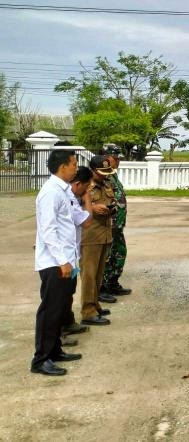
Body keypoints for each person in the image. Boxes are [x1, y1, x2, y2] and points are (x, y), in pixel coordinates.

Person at [31, 149, 82, 376]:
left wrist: (70, 260)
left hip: (65, 260)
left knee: (60, 308)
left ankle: (55, 350)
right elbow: (48, 231)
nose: (76, 168)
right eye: (73, 164)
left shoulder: (62, 191)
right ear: (63, 166)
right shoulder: (50, 192)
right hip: (54, 263)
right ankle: (41, 359)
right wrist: (62, 261)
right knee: (50, 311)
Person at [80, 155, 117, 326]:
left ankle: (95, 304)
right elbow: (72, 207)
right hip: (90, 235)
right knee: (88, 274)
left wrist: (112, 208)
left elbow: (111, 200)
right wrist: (93, 208)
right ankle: (87, 311)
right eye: (101, 172)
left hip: (104, 233)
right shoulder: (83, 186)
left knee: (98, 273)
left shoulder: (107, 183)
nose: (105, 175)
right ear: (92, 171)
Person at [61, 166, 93, 348]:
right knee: (59, 297)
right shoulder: (70, 200)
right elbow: (88, 221)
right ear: (78, 184)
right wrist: (87, 199)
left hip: (71, 256)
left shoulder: (72, 199)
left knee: (69, 292)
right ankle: (59, 334)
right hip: (62, 258)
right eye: (86, 186)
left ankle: (68, 322)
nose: (87, 190)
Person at [100, 144, 131, 298]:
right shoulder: (101, 175)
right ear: (107, 157)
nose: (118, 161)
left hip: (117, 225)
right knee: (107, 255)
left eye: (119, 158)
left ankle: (112, 283)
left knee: (119, 253)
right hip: (108, 224)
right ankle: (103, 287)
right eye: (115, 158)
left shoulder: (113, 175)